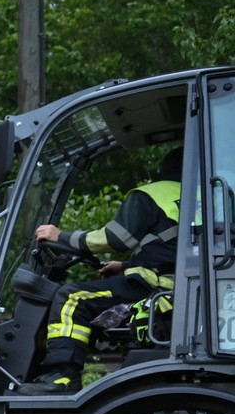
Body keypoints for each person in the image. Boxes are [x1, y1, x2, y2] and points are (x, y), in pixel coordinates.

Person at [20, 147, 184, 395]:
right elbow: (177, 252)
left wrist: (61, 236)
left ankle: (62, 378)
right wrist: (126, 267)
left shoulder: (153, 194)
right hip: (184, 288)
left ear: (163, 171)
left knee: (72, 299)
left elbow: (116, 239)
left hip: (156, 289)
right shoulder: (209, 197)